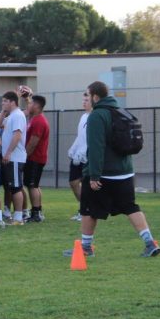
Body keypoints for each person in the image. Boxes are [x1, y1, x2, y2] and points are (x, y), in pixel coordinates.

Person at [64, 81, 160, 258]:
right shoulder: (121, 111)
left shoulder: (97, 115)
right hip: (125, 172)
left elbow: (96, 147)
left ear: (95, 96)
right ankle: (150, 243)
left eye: (87, 95)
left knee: (88, 209)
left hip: (103, 173)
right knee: (131, 207)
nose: (86, 99)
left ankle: (85, 248)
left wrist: (93, 175)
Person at [0, 91, 27, 225]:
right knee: (12, 186)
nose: (3, 103)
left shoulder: (17, 115)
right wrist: (3, 111)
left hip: (15, 157)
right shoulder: (11, 115)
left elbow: (17, 135)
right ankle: (16, 216)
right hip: (11, 157)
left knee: (16, 187)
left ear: (12, 102)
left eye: (5, 101)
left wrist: (9, 153)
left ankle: (18, 218)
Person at [23, 94, 50, 222]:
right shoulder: (35, 118)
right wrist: (27, 97)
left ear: (37, 105)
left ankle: (36, 213)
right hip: (36, 157)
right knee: (34, 185)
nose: (29, 105)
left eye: (31, 103)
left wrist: (25, 156)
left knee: (32, 185)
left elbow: (33, 142)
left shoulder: (39, 121)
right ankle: (37, 211)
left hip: (35, 157)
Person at [67, 89, 92, 221]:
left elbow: (91, 139)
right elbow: (80, 136)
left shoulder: (94, 117)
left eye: (87, 100)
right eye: (83, 100)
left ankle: (85, 210)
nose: (84, 102)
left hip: (87, 156)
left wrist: (84, 151)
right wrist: (74, 149)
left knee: (84, 183)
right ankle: (84, 208)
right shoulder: (83, 117)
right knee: (73, 182)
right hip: (78, 155)